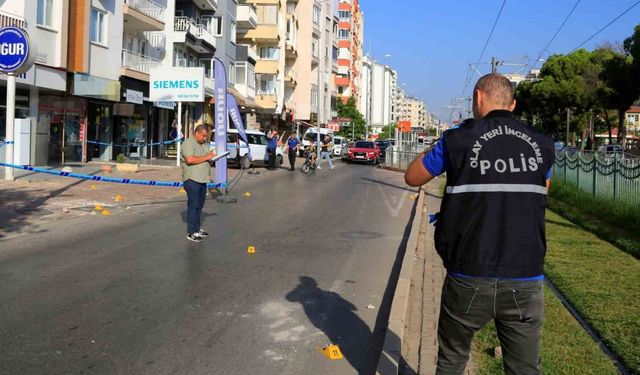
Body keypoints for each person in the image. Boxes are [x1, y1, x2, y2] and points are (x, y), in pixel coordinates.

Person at [404, 74, 555, 375]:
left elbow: (413, 177)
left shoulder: (457, 141)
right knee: (524, 368)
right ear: (512, 105)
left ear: (477, 98)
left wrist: (443, 143)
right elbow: (542, 190)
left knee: (452, 360)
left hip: (468, 273)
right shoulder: (543, 145)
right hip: (525, 275)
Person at [181, 124, 216, 243]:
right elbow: (190, 160)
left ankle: (197, 229)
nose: (205, 138)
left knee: (200, 205)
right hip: (192, 179)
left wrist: (212, 157)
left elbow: (207, 157)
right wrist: (207, 157)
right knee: (194, 205)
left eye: (206, 136)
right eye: (203, 136)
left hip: (203, 179)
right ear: (197, 133)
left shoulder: (204, 144)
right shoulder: (188, 143)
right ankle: (191, 232)